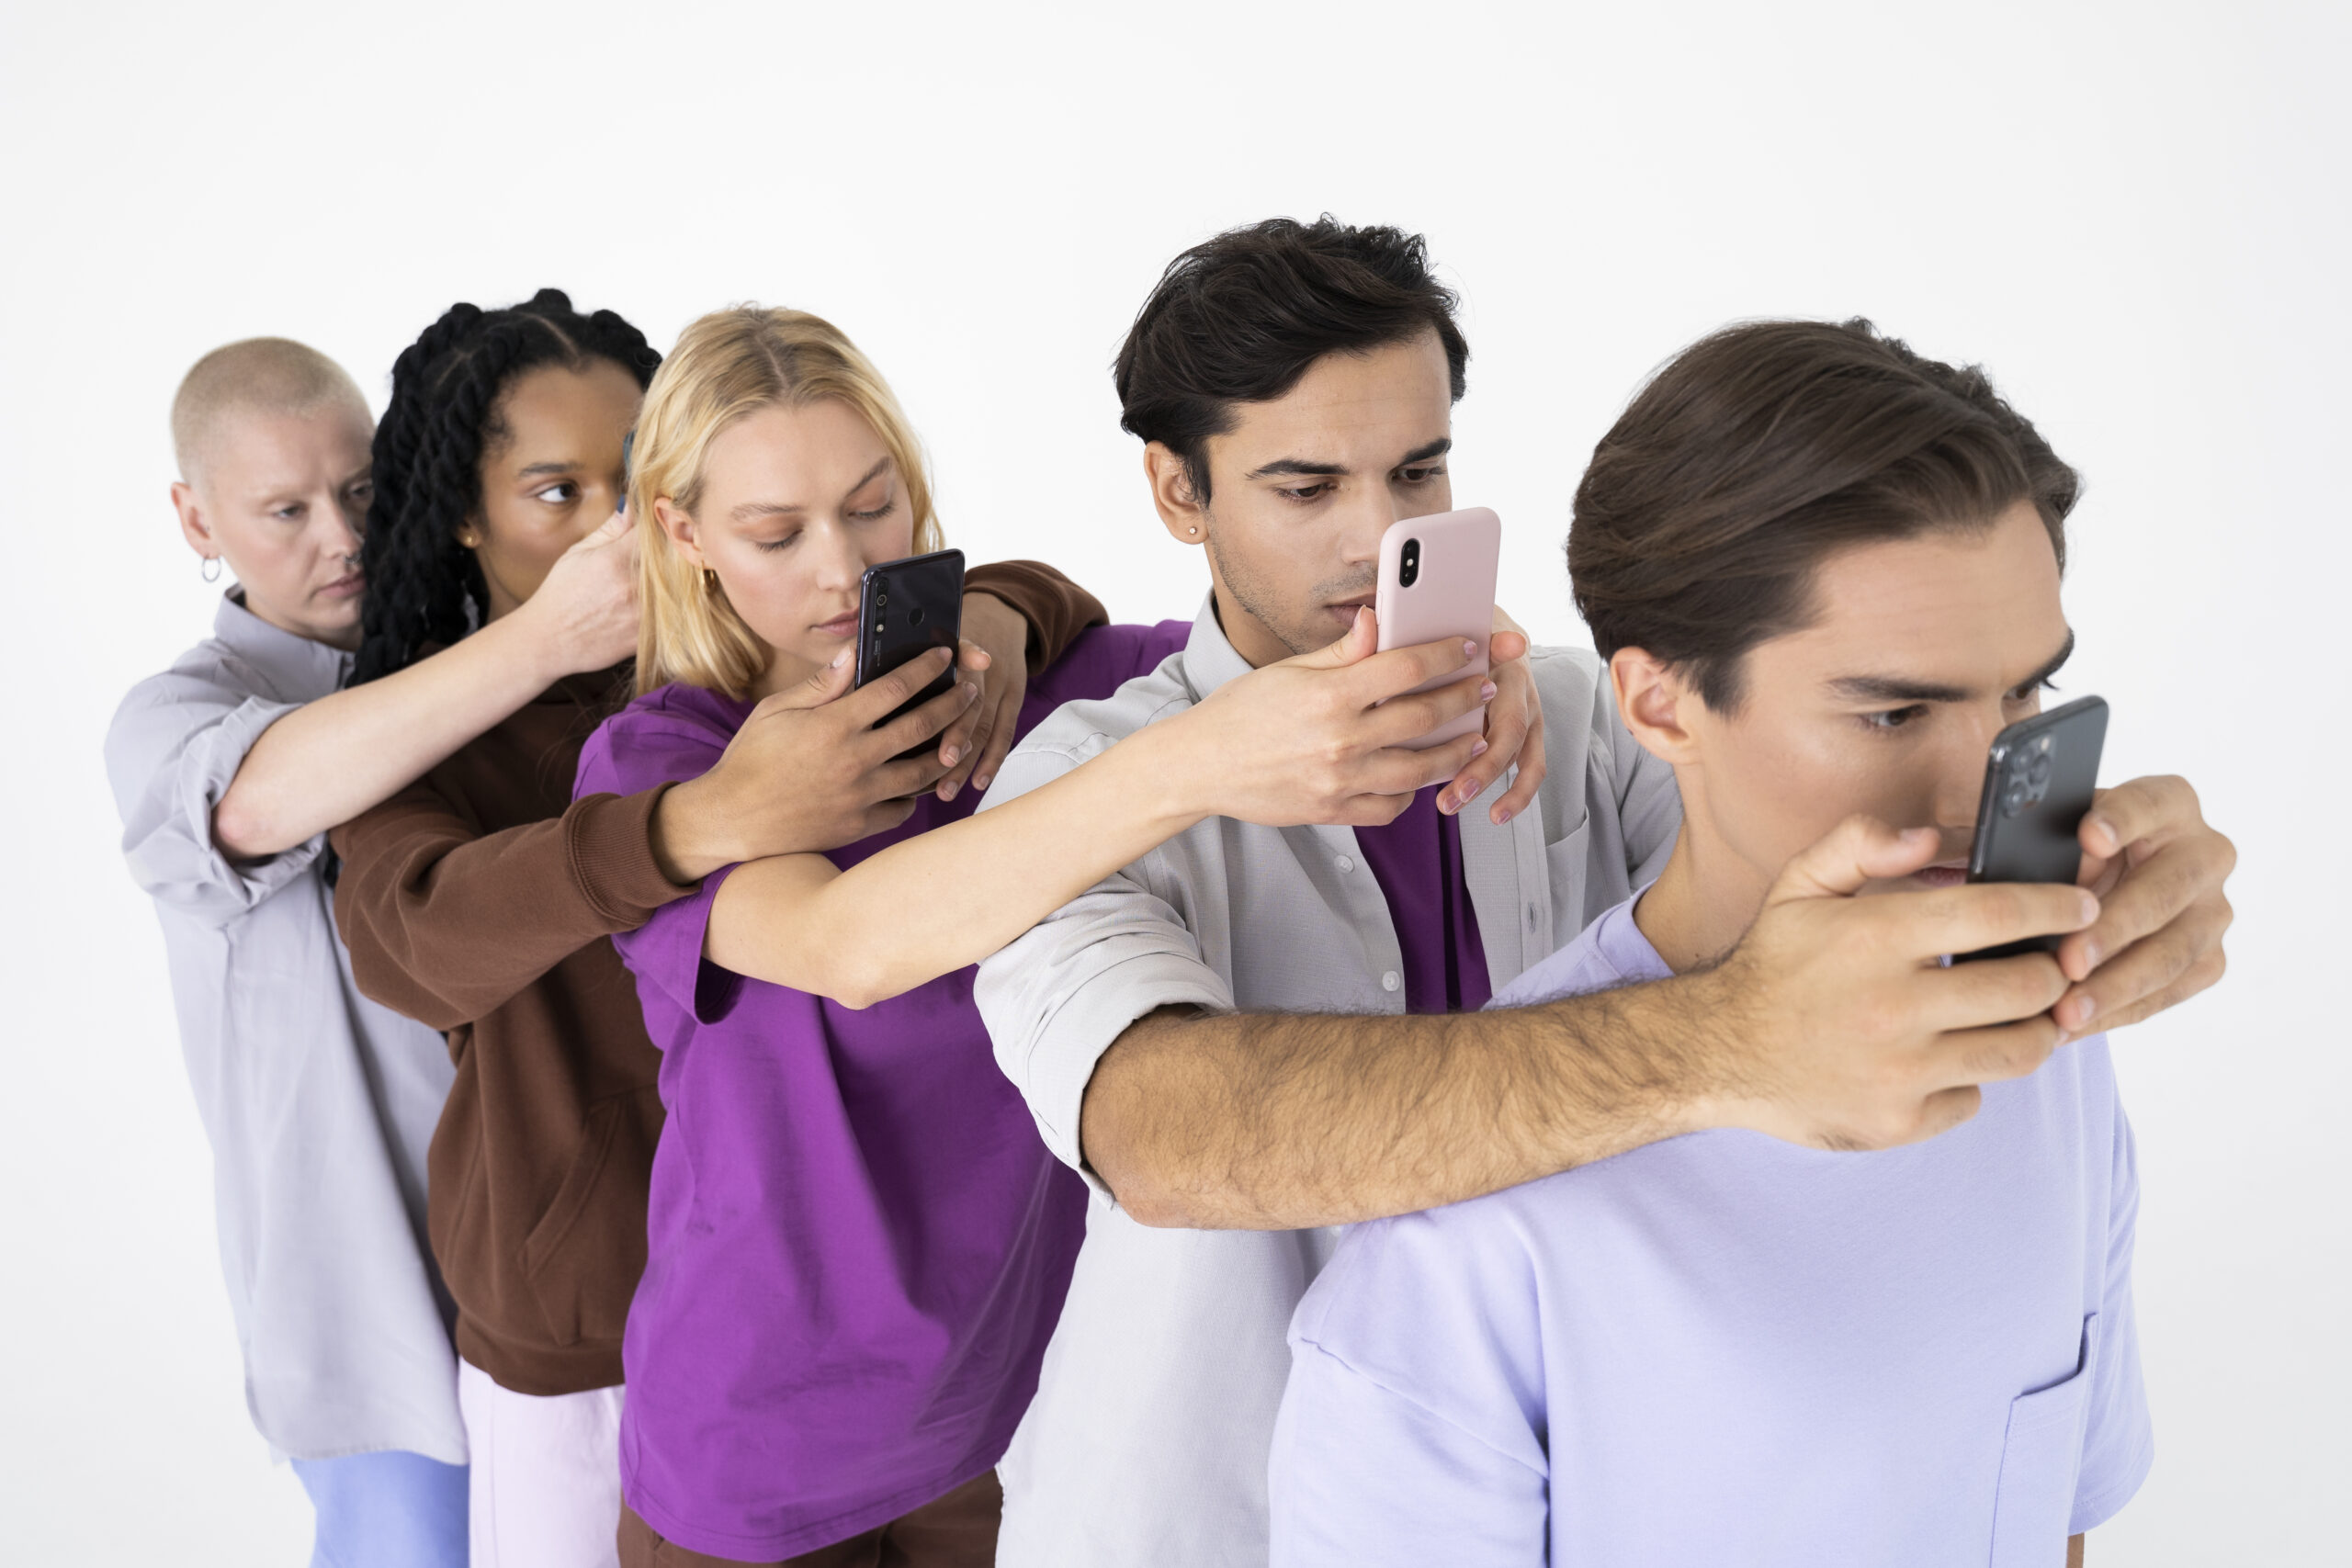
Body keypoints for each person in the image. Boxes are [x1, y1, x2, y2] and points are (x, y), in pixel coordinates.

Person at [972, 218, 2236, 1566]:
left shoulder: (1572, 717)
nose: (1383, 536)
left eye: (1419, 469)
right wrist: (1733, 1039)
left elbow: (1781, 838)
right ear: (1180, 492)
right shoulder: (1084, 789)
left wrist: (2085, 888)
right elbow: (1164, 1137)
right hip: (1201, 1510)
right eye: (1306, 486)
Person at [575, 304, 1533, 1567]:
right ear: (683, 533)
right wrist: (1187, 764)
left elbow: (1277, 660)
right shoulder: (664, 768)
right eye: (776, 532)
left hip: (1009, 1422)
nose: (842, 568)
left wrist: (1482, 664)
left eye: (873, 506)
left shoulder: (1051, 696)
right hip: (763, 1437)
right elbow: (850, 947)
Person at [1270, 318, 2156, 1566]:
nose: (1988, 788)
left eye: (2024, 693)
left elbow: (2051, 1516)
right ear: (1661, 704)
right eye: (1896, 712)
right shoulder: (1460, 1262)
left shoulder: (2045, 1052)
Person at [324, 291, 1108, 1568]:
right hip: (591, 1323)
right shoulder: (485, 740)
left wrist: (1002, 606)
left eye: (630, 479)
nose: (611, 529)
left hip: (870, 1335)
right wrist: (693, 822)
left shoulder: (810, 664)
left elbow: (1055, 616)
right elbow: (412, 942)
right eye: (558, 493)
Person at [105, 335, 647, 1567]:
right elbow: (259, 800)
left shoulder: (499, 669)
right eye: (284, 511)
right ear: (197, 520)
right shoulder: (173, 718)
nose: (341, 538)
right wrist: (540, 638)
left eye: (361, 492)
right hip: (372, 1315)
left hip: (562, 1274)